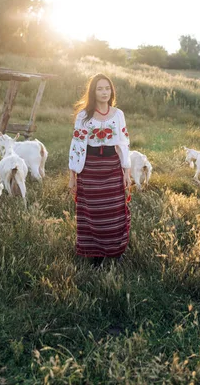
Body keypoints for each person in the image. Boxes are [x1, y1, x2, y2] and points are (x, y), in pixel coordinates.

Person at [68, 73, 131, 265]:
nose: (104, 92)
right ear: (93, 92)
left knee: (114, 210)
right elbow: (77, 145)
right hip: (90, 168)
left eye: (107, 88)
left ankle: (115, 251)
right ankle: (95, 254)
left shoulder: (118, 114)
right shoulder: (83, 116)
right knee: (92, 211)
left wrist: (126, 171)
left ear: (111, 91)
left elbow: (124, 143)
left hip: (111, 166)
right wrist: (73, 177)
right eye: (99, 89)